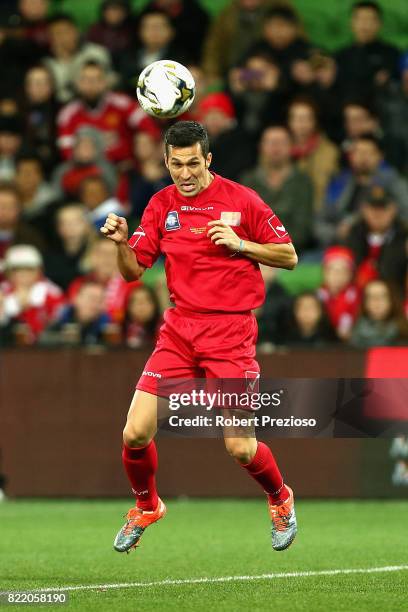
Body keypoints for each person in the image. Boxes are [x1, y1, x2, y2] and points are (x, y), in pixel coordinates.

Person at [100, 121, 298, 554]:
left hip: (231, 332)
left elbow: (289, 256)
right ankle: (147, 506)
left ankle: (280, 497)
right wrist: (119, 243)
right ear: (166, 162)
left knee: (241, 447)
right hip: (180, 329)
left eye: (193, 164)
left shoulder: (242, 200)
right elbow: (134, 271)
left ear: (208, 160)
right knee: (134, 433)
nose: (185, 174)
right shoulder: (160, 204)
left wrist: (242, 244)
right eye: (176, 164)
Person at [57, 60, 160, 167]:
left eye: (96, 80)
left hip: (127, 168)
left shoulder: (122, 104)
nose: (91, 85)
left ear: (105, 82)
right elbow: (67, 152)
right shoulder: (68, 114)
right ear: (78, 83)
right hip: (88, 172)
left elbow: (150, 130)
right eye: (86, 80)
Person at [240, 125, 314, 252]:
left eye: (281, 143)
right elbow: (243, 223)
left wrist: (274, 251)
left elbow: (303, 227)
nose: (276, 147)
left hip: (294, 252)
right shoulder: (248, 180)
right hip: (254, 251)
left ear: (292, 147)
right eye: (270, 142)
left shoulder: (303, 181)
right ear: (261, 147)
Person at [344, 185, 408, 291]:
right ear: (364, 210)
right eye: (373, 207)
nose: (377, 213)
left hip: (396, 297)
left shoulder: (404, 237)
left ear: (393, 209)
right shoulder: (351, 236)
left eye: (383, 208)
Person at [336, 1, 400, 100]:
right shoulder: (341, 56)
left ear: (379, 24)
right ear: (352, 23)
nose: (364, 25)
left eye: (370, 19)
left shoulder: (391, 54)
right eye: (360, 19)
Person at [43, 13, 113, 104]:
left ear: (76, 31)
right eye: (57, 34)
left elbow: (110, 81)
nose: (63, 38)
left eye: (66, 32)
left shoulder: (97, 53)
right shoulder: (47, 64)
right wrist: (64, 59)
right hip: (64, 109)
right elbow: (61, 95)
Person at [287, 97, 339, 209]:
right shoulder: (280, 150)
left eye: (306, 119)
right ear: (289, 122)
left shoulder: (330, 152)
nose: (302, 124)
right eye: (297, 119)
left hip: (318, 211)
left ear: (314, 122)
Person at [350, 280, 408, 348]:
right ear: (364, 302)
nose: (376, 301)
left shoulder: (404, 332)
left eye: (382, 296)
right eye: (371, 297)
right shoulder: (354, 333)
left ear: (391, 300)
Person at [318, 246, 360, 340]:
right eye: (332, 270)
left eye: (343, 271)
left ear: (351, 274)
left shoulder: (360, 297)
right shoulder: (317, 297)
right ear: (324, 273)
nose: (337, 276)